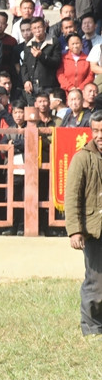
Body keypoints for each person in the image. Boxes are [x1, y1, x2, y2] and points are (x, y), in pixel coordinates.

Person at [65, 110, 102, 336]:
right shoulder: (82, 158)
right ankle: (91, 328)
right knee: (96, 283)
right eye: (96, 130)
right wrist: (75, 231)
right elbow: (72, 197)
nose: (100, 135)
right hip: (94, 230)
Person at [21, 17, 62, 103]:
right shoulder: (28, 44)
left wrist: (42, 56)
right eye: (34, 28)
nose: (37, 30)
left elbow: (56, 62)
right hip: (32, 85)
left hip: (48, 85)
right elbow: (24, 65)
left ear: (44, 27)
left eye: (39, 27)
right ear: (31, 30)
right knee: (33, 112)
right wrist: (26, 80)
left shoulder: (53, 42)